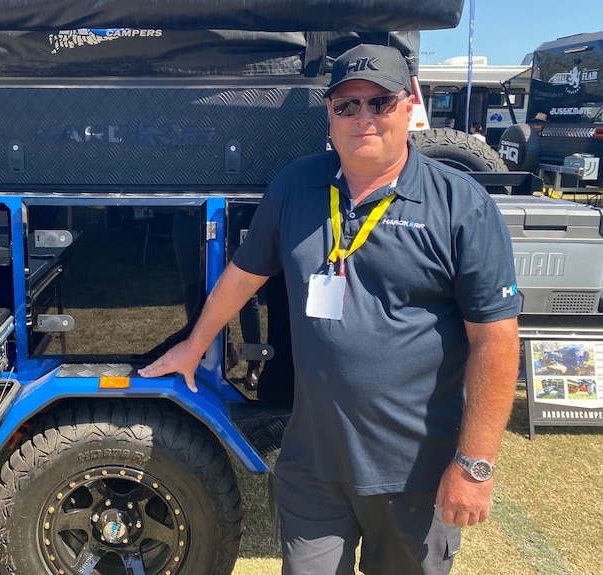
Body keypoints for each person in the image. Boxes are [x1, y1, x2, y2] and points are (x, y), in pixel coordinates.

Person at [139, 42, 521, 574]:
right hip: (312, 466)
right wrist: (193, 345)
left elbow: (495, 342)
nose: (363, 117)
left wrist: (474, 465)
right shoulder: (297, 185)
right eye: (347, 105)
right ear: (329, 113)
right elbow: (244, 275)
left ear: (409, 105)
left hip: (414, 473)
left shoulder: (460, 203)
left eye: (380, 103)